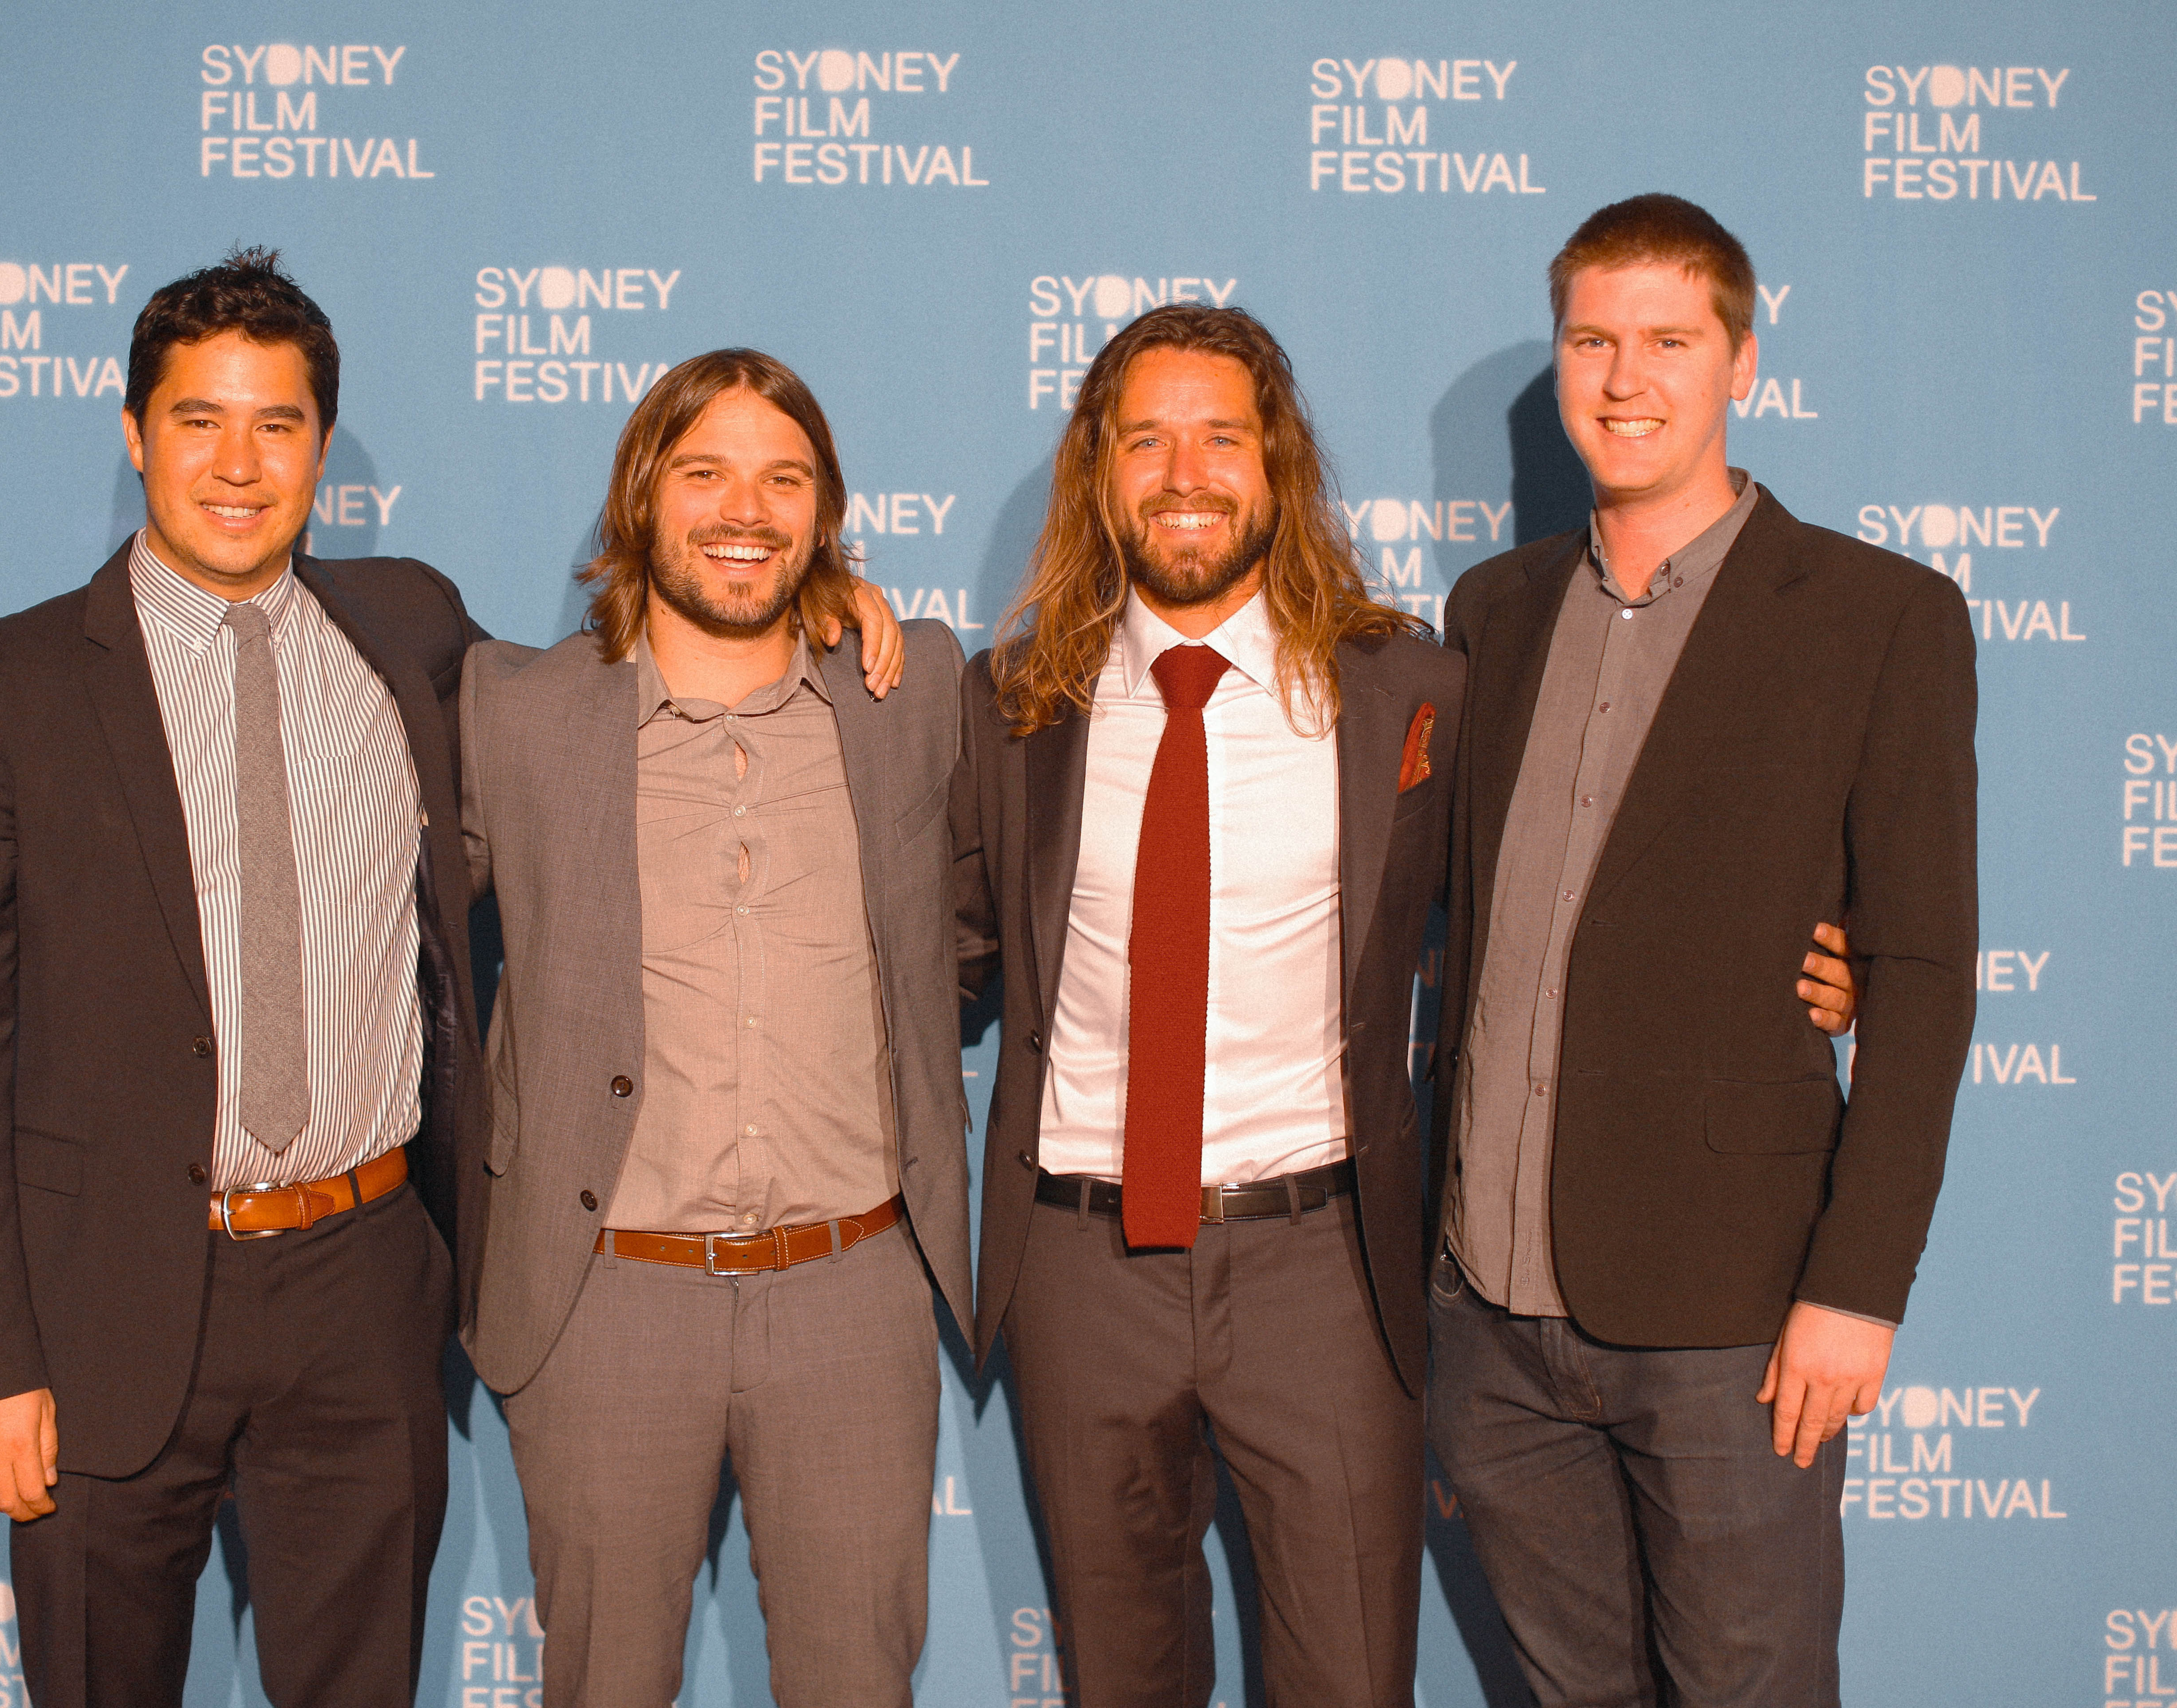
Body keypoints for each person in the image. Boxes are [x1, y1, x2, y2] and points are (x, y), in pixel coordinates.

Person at [0, 251, 906, 1708]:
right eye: (198, 421)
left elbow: (634, 684)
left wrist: (821, 590)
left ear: (321, 447)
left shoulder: (411, 633)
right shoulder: (0, 685)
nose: (239, 466)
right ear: (134, 434)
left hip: (362, 1291)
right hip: (105, 1303)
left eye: (278, 425)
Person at [1428, 193, 1977, 1708]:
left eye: (1669, 340)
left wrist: (1858, 1290)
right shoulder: (1492, 611)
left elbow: (1925, 978)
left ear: (1741, 357)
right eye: (1593, 339)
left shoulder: (1881, 616)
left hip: (1736, 1316)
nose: (1625, 377)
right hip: (1493, 1312)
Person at [951, 302, 1458, 1707]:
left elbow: (1535, 922)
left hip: (1323, 1265)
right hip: (1079, 1269)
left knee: (1352, 1680)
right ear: (1098, 474)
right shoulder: (1013, 707)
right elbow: (935, 957)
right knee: (1122, 1681)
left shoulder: (1403, 689)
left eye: (1222, 437)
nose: (1186, 473)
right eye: (1147, 440)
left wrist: (1808, 956)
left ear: (1278, 465)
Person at [456, 349, 964, 1708]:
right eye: (707, 473)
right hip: (608, 1296)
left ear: (825, 513)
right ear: (643, 495)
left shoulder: (911, 696)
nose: (746, 508)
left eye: (783, 479)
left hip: (853, 1291)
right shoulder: (514, 710)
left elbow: (976, 933)